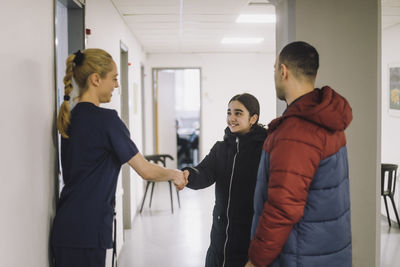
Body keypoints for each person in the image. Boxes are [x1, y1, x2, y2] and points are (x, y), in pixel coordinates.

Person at [51, 48, 187, 267]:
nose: (116, 85)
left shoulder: (70, 116)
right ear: (96, 79)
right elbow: (145, 170)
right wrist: (175, 173)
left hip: (68, 226)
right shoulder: (107, 120)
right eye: (114, 78)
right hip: (87, 231)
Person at [246, 41, 353, 267]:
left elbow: (282, 208)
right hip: (327, 252)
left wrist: (256, 261)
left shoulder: (296, 133)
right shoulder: (327, 120)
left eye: (275, 69)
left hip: (299, 256)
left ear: (283, 71)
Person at [183, 93, 268, 267]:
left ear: (253, 118)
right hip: (219, 239)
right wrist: (186, 175)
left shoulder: (265, 150)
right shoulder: (220, 148)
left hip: (248, 240)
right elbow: (204, 172)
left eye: (238, 113)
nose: (231, 118)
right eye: (229, 113)